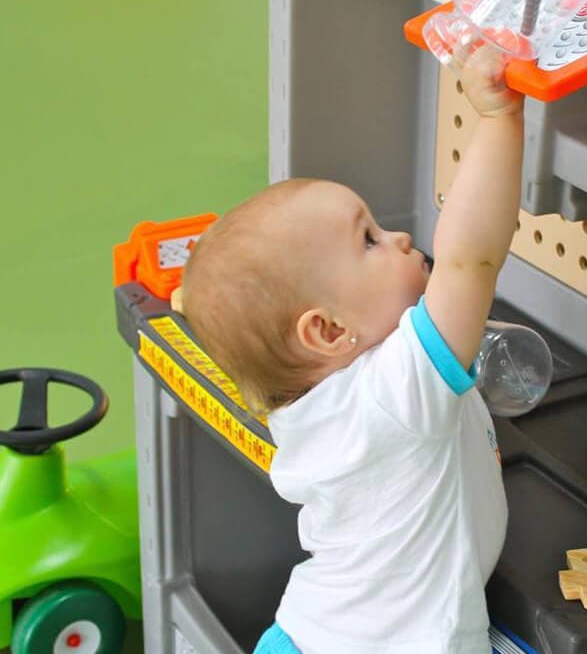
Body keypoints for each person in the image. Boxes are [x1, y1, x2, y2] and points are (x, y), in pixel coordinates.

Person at [181, 44, 524, 654]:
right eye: (368, 239)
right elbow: (471, 258)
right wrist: (498, 119)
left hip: (310, 633)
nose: (398, 237)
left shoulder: (315, 403)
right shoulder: (395, 391)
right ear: (330, 332)